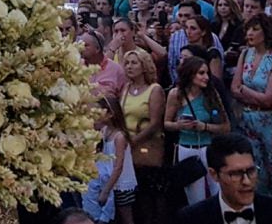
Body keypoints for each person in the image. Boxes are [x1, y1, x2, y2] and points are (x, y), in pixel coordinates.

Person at [177, 133, 272, 224]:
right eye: (235, 174)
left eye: (251, 171)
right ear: (214, 174)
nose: (246, 181)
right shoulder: (192, 219)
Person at [231, 14, 272, 196]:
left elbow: (270, 98)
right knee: (252, 167)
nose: (249, 33)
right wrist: (254, 96)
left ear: (267, 32)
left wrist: (246, 93)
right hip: (246, 119)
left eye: (255, 29)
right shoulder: (245, 54)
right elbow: (234, 88)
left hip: (269, 120)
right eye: (248, 29)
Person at [165, 56, 230, 205]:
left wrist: (204, 127)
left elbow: (226, 127)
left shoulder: (211, 94)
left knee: (217, 192)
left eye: (207, 73)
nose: (206, 77)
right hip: (186, 149)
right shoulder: (176, 94)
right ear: (190, 73)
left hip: (208, 149)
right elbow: (167, 123)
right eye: (201, 73)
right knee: (195, 197)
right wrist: (179, 125)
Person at [120, 50, 165, 224]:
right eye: (127, 63)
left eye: (134, 63)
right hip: (126, 145)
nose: (129, 66)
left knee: (149, 196)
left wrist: (133, 141)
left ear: (144, 66)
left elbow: (154, 124)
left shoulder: (154, 90)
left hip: (145, 145)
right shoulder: (126, 88)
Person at [85, 96, 136, 224]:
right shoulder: (104, 130)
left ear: (110, 114)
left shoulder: (119, 137)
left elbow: (118, 166)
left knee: (126, 218)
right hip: (107, 180)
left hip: (120, 184)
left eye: (99, 111)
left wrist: (106, 190)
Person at [81, 31, 125, 99]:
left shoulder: (116, 70)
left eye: (86, 45)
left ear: (97, 49)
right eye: (80, 44)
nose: (81, 48)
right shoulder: (76, 67)